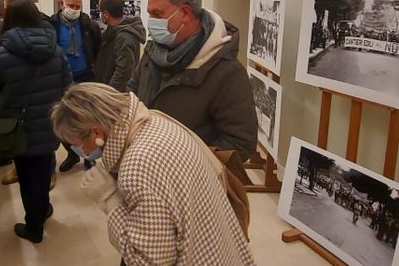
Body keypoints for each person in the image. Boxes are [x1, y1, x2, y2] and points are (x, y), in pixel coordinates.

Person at [50, 83, 255, 265]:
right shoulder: (151, 119)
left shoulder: (137, 165)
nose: (83, 153)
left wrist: (110, 199)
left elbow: (150, 260)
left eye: (77, 144)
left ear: (96, 133)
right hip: (217, 246)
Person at [128, 0, 257, 161]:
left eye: (157, 14)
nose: (150, 22)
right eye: (149, 14)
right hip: (141, 162)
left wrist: (177, 160)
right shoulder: (152, 52)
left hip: (188, 181)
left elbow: (240, 143)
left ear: (186, 13)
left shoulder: (227, 71)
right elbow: (132, 93)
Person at [0, 0, 72, 243]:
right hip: (50, 123)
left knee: (27, 177)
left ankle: (33, 228)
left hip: (18, 127)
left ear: (9, 19)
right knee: (44, 170)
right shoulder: (55, 50)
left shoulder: (0, 55)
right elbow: (68, 84)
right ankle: (43, 209)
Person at [49, 0, 101, 172]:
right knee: (62, 120)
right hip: (62, 79)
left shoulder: (88, 25)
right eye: (71, 6)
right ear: (62, 4)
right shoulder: (51, 25)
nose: (74, 9)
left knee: (88, 120)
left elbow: (96, 48)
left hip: (84, 77)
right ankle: (72, 154)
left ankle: (89, 156)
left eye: (78, 6)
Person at [93, 0, 147, 92]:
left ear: (105, 14)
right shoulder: (113, 32)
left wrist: (109, 94)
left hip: (115, 95)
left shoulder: (124, 36)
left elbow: (123, 72)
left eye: (100, 11)